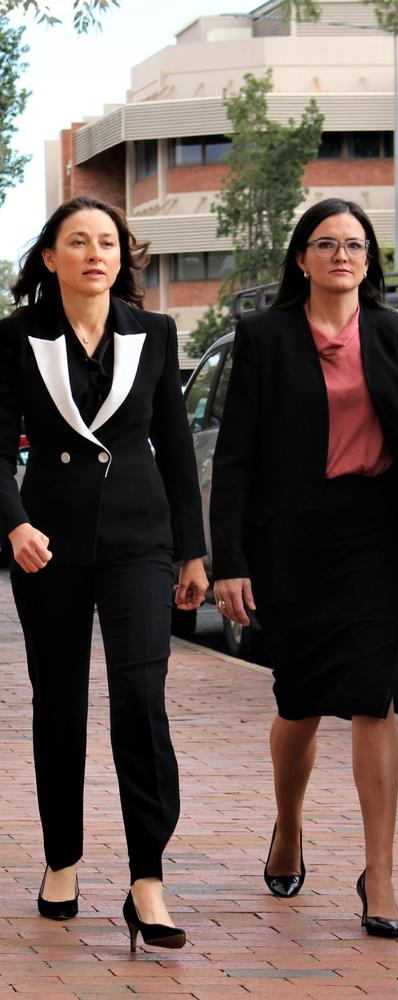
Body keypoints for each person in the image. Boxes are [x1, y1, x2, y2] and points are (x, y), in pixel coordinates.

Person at [209, 197, 398, 938]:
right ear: (302, 258)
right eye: (327, 243)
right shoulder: (263, 337)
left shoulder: (395, 333)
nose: (342, 255)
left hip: (369, 534)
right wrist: (231, 560)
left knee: (375, 697)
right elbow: (235, 456)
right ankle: (288, 826)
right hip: (288, 538)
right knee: (299, 702)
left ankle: (379, 873)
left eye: (355, 244)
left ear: (369, 259)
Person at [0, 195, 208, 951]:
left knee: (140, 701)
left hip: (138, 543)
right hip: (46, 544)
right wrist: (14, 523)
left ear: (124, 257)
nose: (97, 253)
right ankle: (63, 859)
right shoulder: (16, 337)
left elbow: (177, 447)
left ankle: (148, 878)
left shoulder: (153, 332)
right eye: (79, 242)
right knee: (59, 701)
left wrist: (193, 550)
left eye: (110, 243)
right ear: (50, 257)